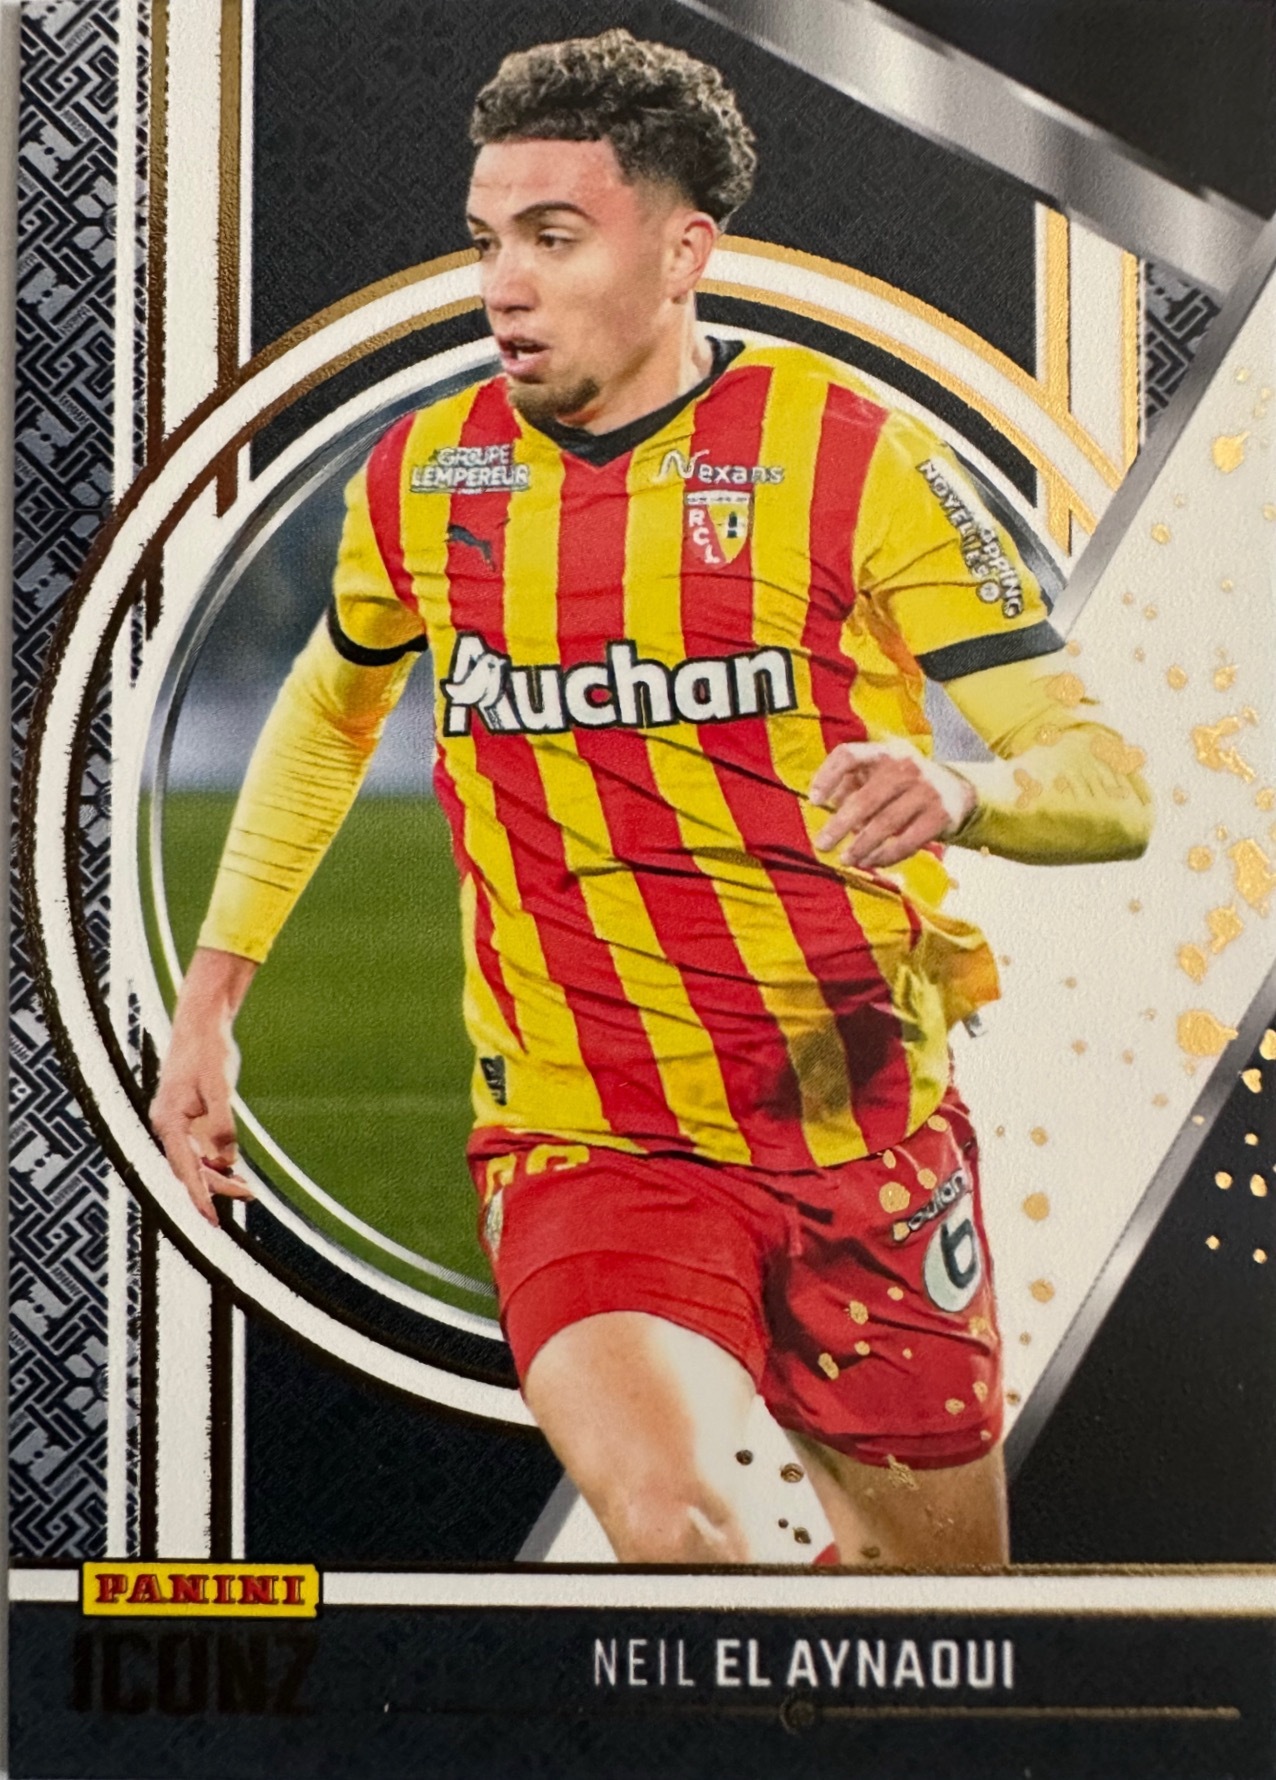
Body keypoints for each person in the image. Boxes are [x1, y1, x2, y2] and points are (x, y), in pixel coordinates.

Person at [151, 29, 1152, 1567]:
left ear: (686, 252)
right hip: (590, 1142)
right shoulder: (426, 477)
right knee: (684, 1529)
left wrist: (961, 789)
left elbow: (1110, 788)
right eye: (487, 240)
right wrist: (210, 1003)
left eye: (555, 239)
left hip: (865, 1138)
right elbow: (329, 707)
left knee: (934, 1635)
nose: (504, 284)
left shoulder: (854, 457)